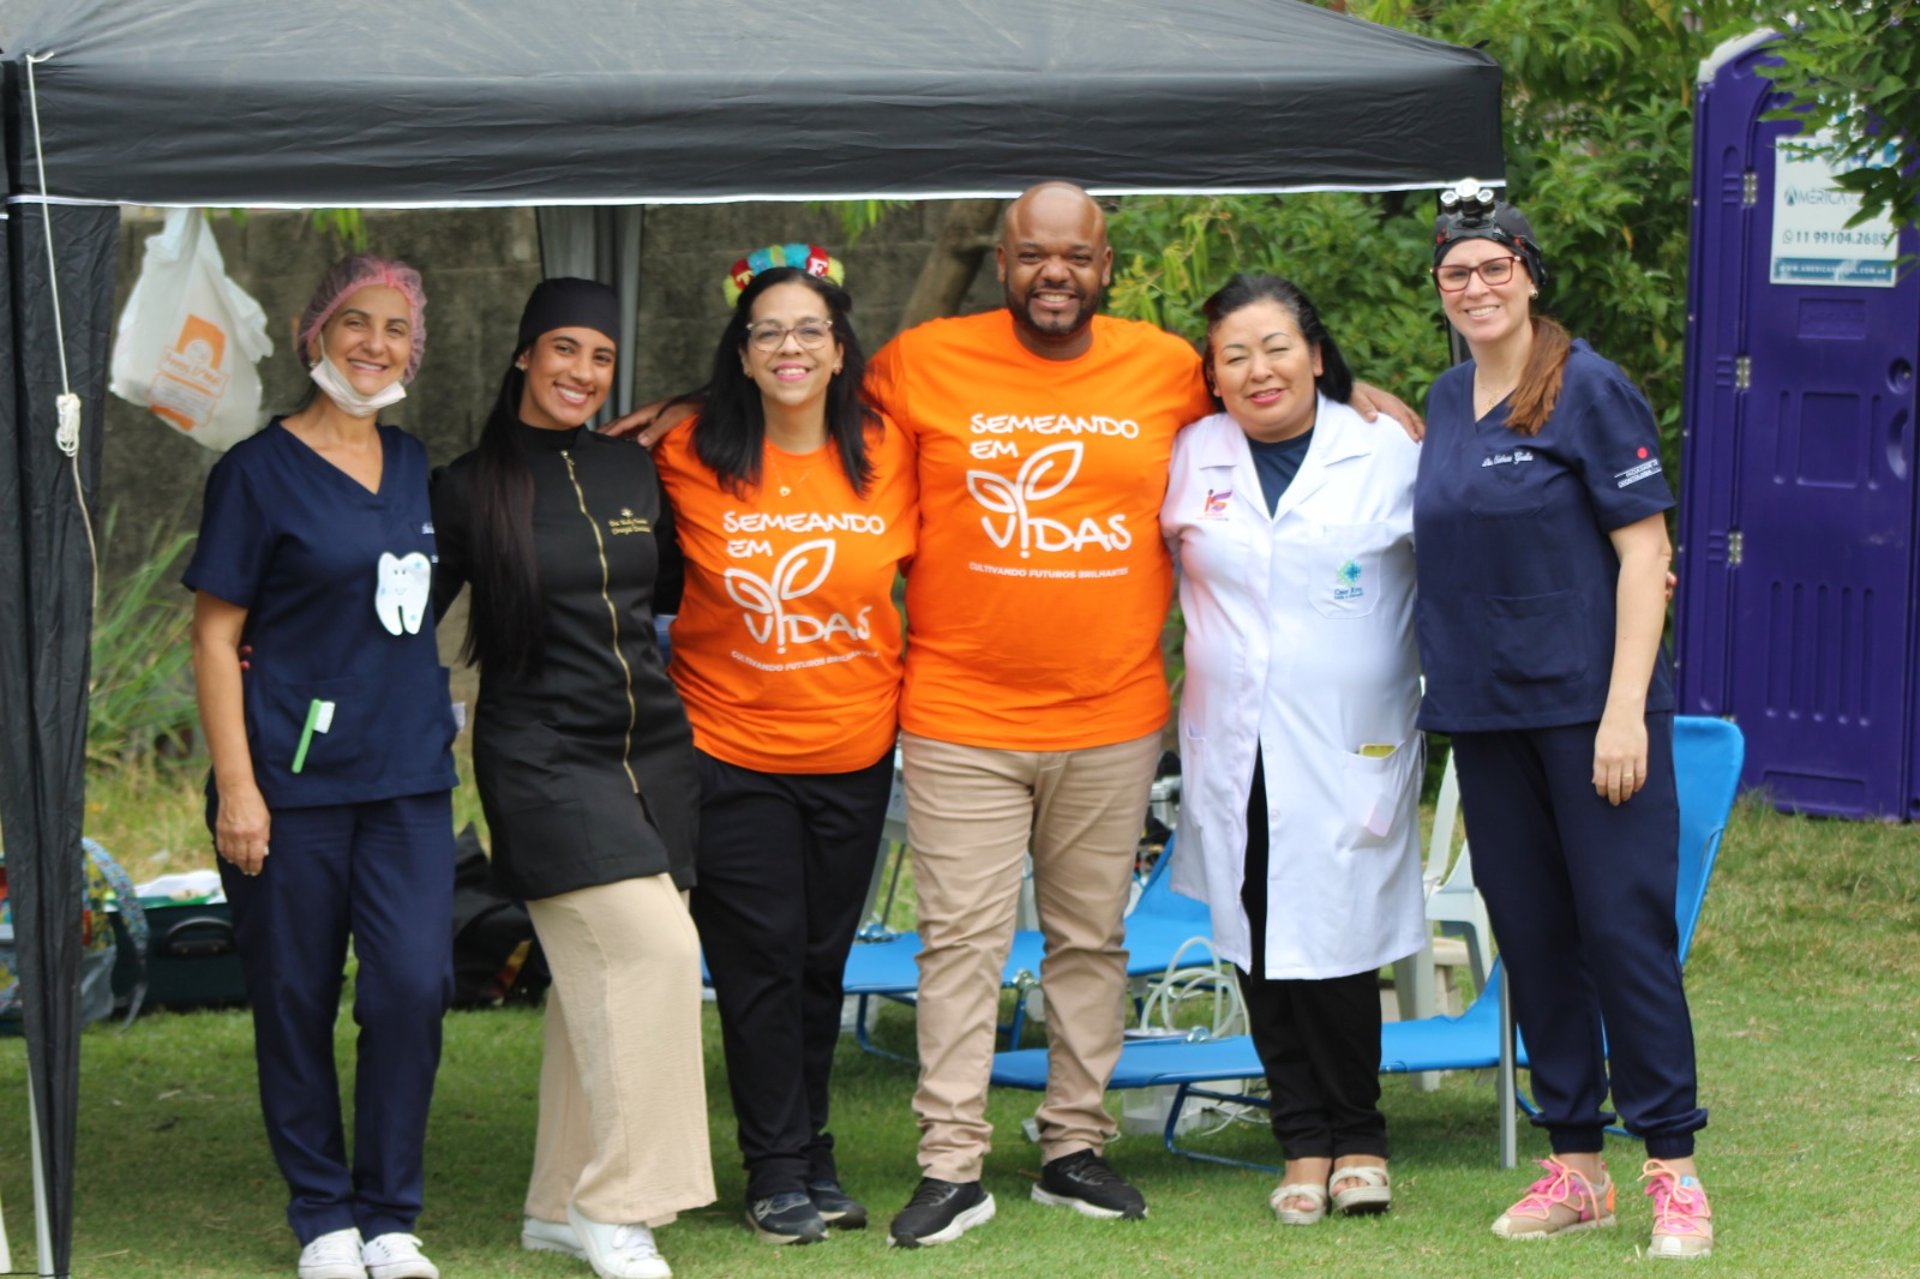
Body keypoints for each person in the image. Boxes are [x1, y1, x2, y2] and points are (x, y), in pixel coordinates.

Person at [614, 183, 1419, 1247]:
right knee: (959, 946)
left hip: (1113, 717)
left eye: (1076, 255)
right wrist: (687, 403)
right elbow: (800, 377)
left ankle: (1073, 1148)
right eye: (1033, 253)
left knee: (1091, 942)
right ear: (1002, 263)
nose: (1055, 273)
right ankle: (950, 1164)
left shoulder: (1167, 367)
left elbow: (1273, 385)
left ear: (1106, 267)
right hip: (959, 715)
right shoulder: (923, 362)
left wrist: (1364, 395)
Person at [1415, 181, 1713, 1259]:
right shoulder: (1448, 399)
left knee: (1622, 934)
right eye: (1456, 272)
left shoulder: (1588, 386)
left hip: (1592, 715)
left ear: (1530, 274)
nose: (1477, 286)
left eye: (1495, 266)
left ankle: (1673, 1168)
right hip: (1486, 718)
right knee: (1534, 938)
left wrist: (1624, 710)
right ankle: (1577, 1167)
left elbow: (1646, 551)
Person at [431, 278, 714, 1279]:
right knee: (657, 956)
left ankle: (557, 1202)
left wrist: (691, 405)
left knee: (594, 989)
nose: (581, 373)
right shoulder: (466, 488)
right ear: (523, 353)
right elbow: (401, 615)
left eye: (601, 357)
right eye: (563, 349)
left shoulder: (634, 469)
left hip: (655, 756)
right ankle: (618, 1202)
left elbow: (670, 590)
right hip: (542, 758)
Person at [187, 255, 455, 1279]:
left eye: (397, 328)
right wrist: (240, 788)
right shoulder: (255, 473)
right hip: (289, 787)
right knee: (294, 994)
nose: (375, 343)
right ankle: (325, 1217)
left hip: (407, 781)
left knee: (412, 987)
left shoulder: (415, 464)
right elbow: (215, 637)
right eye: (356, 321)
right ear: (315, 332)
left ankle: (389, 1215)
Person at [653, 248, 915, 1245]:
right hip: (731, 748)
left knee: (819, 961)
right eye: (768, 331)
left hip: (854, 748)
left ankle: (811, 1150)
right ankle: (774, 1168)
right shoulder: (686, 449)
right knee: (758, 960)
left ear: (841, 349)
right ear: (743, 353)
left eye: (810, 329)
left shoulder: (891, 451)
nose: (790, 347)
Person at [1160, 274, 1425, 1225]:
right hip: (1235, 746)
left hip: (1349, 746)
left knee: (1342, 943)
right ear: (1212, 376)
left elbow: (1468, 558)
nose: (1258, 369)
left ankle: (1362, 1137)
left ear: (1316, 353)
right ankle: (1302, 1141)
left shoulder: (1386, 448)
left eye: (1276, 347)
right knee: (1258, 938)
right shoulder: (1191, 451)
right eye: (1233, 355)